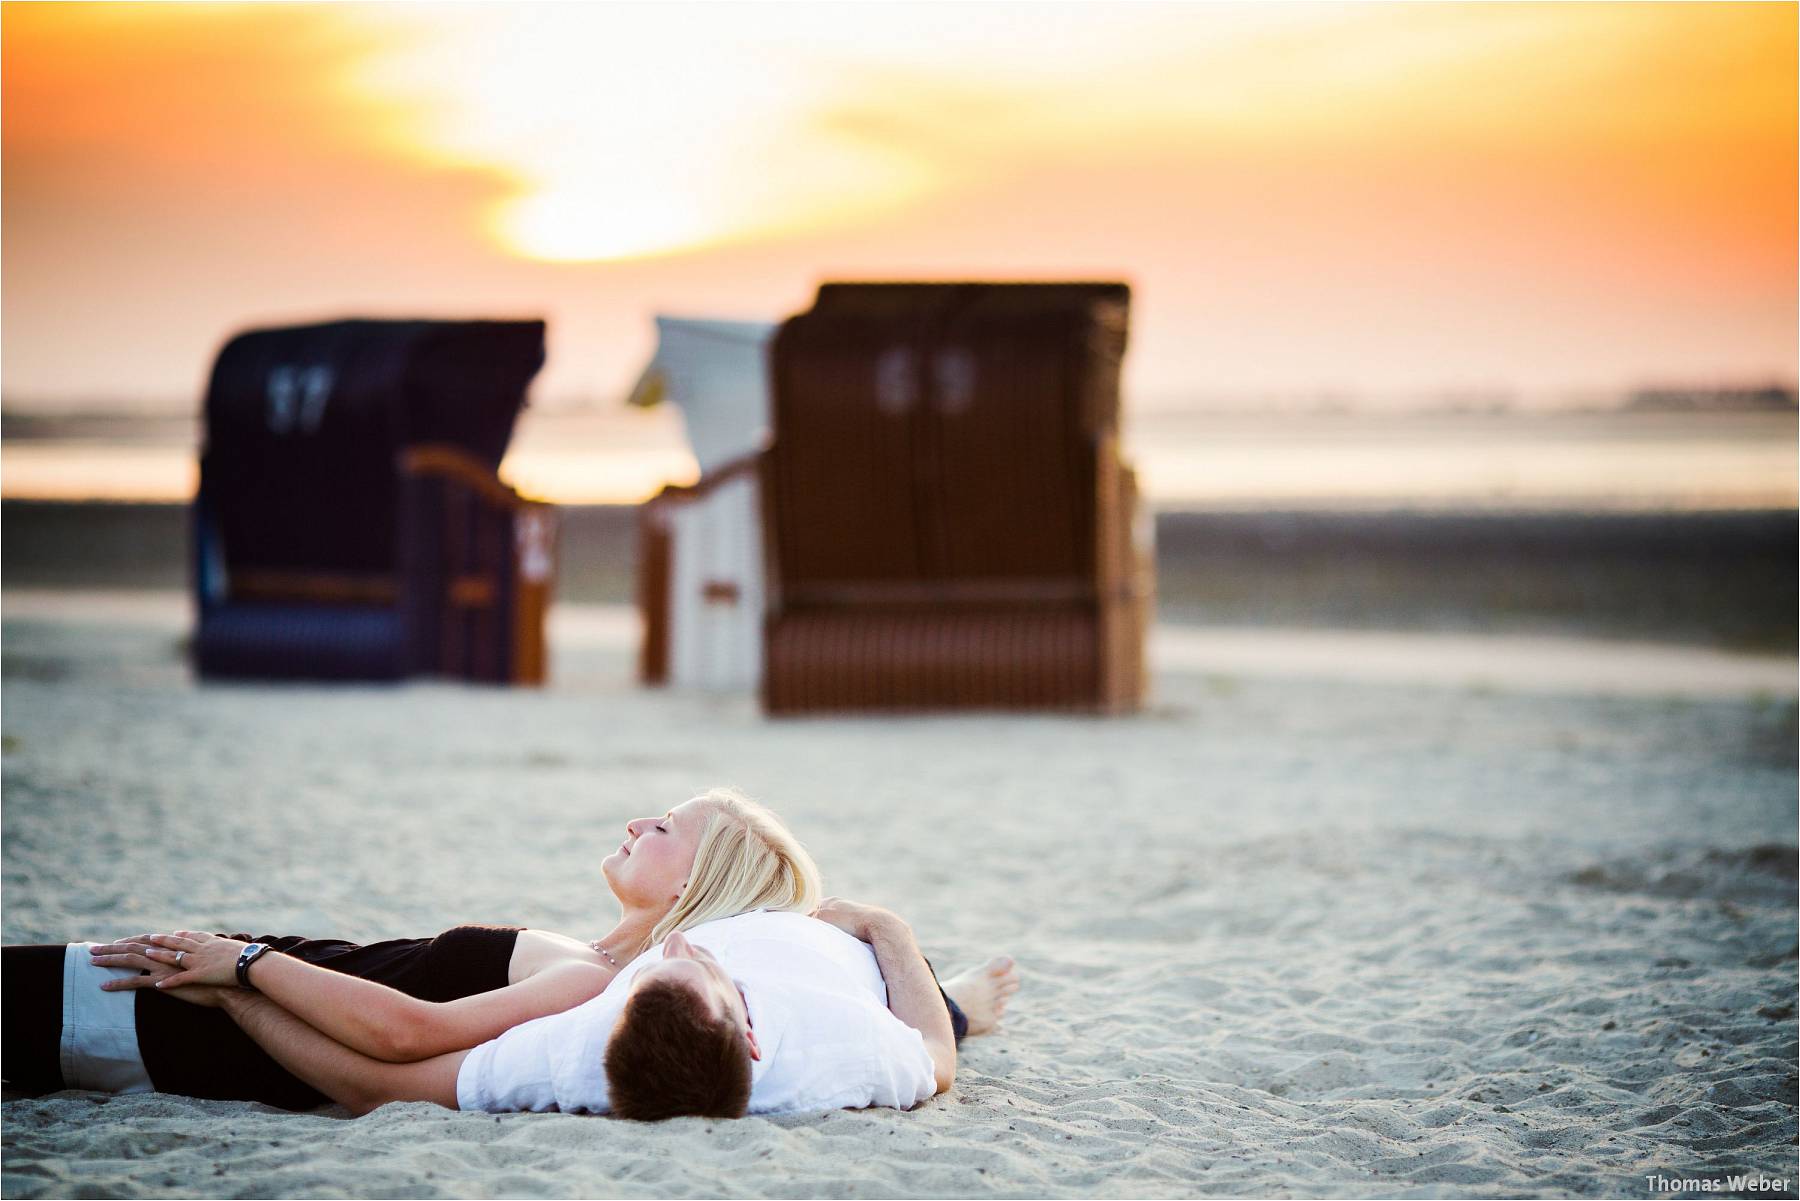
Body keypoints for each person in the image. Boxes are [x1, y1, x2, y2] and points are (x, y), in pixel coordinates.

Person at [2, 789, 1017, 1105]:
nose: (639, 825)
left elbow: (405, 1033)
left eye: (665, 828)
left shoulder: (600, 975)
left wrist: (243, 970)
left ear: (699, 885)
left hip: (143, 1015)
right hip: (171, 995)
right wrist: (949, 1000)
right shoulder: (610, 967)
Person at [128, 899, 959, 1121]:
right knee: (955, 1016)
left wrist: (243, 988)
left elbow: (382, 1079)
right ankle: (972, 996)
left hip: (805, 933)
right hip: (856, 945)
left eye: (658, 977)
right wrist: (887, 926)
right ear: (747, 1031)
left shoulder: (581, 1051)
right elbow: (935, 1055)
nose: (681, 948)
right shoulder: (852, 1052)